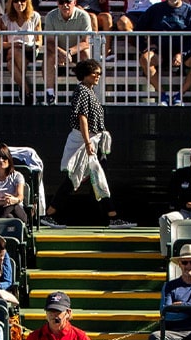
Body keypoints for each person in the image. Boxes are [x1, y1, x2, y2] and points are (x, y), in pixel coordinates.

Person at [57, 58, 134, 228]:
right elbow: (82, 117)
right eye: (96, 73)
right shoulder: (83, 91)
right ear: (86, 74)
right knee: (74, 179)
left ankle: (111, 217)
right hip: (86, 141)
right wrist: (87, 142)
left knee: (98, 179)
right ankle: (50, 213)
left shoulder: (89, 91)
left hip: (93, 140)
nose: (98, 76)